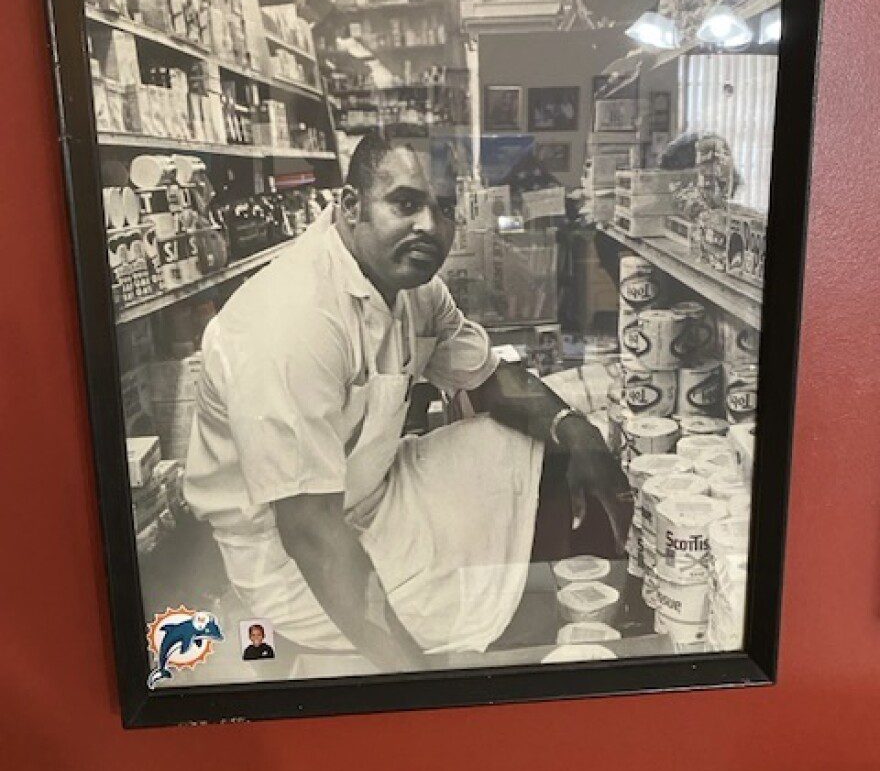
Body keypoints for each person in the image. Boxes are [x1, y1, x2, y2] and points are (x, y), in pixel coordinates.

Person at [184, 134, 631, 673]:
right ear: (351, 207)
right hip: (288, 553)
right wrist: (412, 681)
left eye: (442, 209)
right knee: (470, 618)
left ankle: (542, 590)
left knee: (517, 438)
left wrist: (574, 429)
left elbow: (489, 378)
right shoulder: (292, 320)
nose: (429, 225)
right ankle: (480, 631)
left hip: (373, 490)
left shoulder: (413, 285)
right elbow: (309, 531)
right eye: (405, 203)